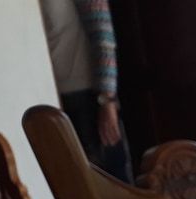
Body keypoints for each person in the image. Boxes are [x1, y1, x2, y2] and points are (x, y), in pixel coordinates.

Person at [38, 0, 133, 183]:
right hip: (48, 100)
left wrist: (107, 100)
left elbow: (104, 37)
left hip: (87, 98)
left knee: (113, 184)